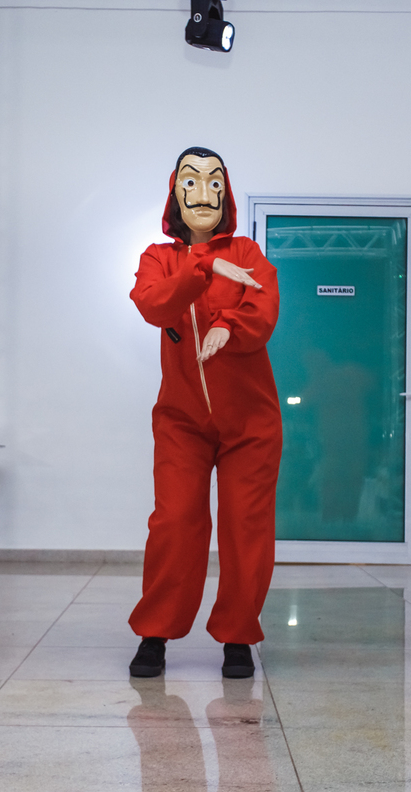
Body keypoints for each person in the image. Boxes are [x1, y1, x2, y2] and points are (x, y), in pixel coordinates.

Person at [128, 147, 282, 679]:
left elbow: (262, 311)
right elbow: (153, 304)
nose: (204, 192)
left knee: (246, 528)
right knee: (174, 522)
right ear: (175, 193)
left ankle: (237, 636)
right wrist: (202, 268)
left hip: (251, 424)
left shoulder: (250, 254)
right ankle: (155, 634)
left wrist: (229, 327)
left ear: (227, 194)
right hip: (181, 421)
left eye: (214, 182)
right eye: (191, 181)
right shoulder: (159, 257)